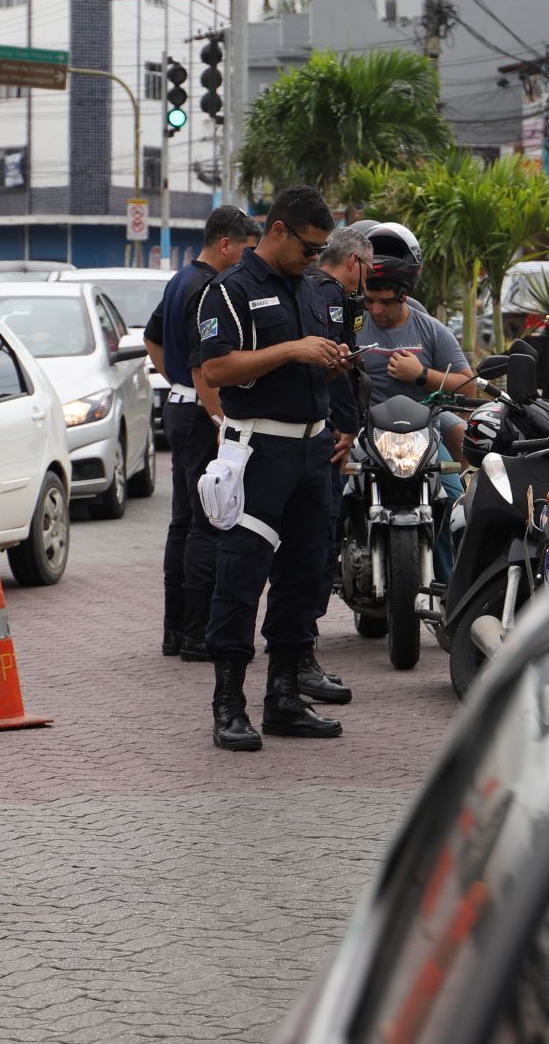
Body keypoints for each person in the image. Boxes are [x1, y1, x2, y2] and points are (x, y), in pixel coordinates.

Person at [194, 185, 351, 752]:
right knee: (240, 576)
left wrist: (330, 363)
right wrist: (293, 351)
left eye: (321, 250)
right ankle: (228, 704)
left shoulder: (311, 289)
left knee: (305, 573)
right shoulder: (230, 291)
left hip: (314, 449)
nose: (315, 257)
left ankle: (284, 695)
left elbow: (313, 358)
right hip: (259, 450)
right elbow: (216, 370)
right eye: (308, 247)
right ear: (278, 230)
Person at [143, 205, 250, 661]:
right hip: (202, 412)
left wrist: (179, 386)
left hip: (179, 408)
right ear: (225, 243)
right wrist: (221, 420)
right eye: (244, 249)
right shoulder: (210, 287)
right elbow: (203, 366)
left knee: (184, 522)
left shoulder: (177, 280)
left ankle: (175, 630)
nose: (246, 259)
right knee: (208, 521)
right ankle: (196, 634)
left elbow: (152, 339)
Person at [358, 223, 476, 580]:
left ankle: (452, 595)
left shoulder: (430, 330)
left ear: (404, 295)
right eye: (369, 301)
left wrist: (422, 374)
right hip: (367, 435)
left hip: (425, 437)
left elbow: (468, 387)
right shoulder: (352, 326)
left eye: (385, 301)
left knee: (455, 506)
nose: (375, 310)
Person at [299, 225, 372, 702]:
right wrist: (346, 425)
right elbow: (335, 370)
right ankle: (300, 656)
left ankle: (300, 654)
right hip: (322, 433)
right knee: (317, 544)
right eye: (367, 268)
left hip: (307, 432)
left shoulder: (305, 287)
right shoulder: (330, 297)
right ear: (353, 263)